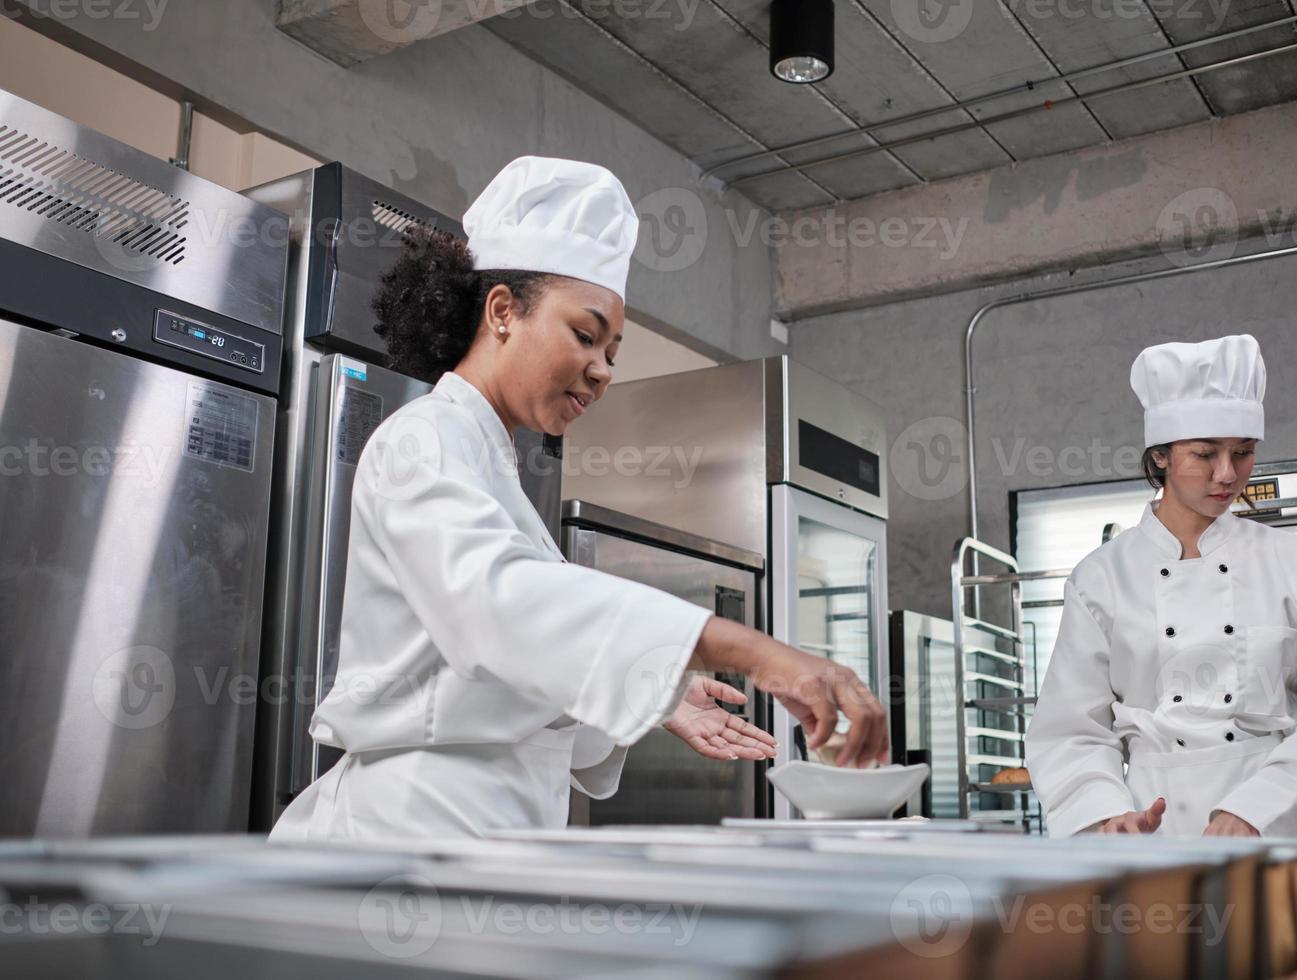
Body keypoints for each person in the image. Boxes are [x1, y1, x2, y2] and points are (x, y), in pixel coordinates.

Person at [270, 157, 887, 840]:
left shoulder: (497, 471)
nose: (601, 371)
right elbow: (501, 609)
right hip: (414, 833)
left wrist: (658, 701)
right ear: (502, 311)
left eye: (613, 353)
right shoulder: (420, 440)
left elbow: (518, 665)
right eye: (586, 335)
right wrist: (754, 651)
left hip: (490, 835)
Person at [1025, 334, 1297, 838]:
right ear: (1162, 456)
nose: (1227, 474)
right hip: (1153, 831)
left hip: (1276, 826)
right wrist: (1104, 815)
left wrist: (1259, 809)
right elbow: (1071, 728)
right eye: (1204, 454)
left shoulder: (1295, 562)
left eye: (1243, 452)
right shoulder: (1100, 578)